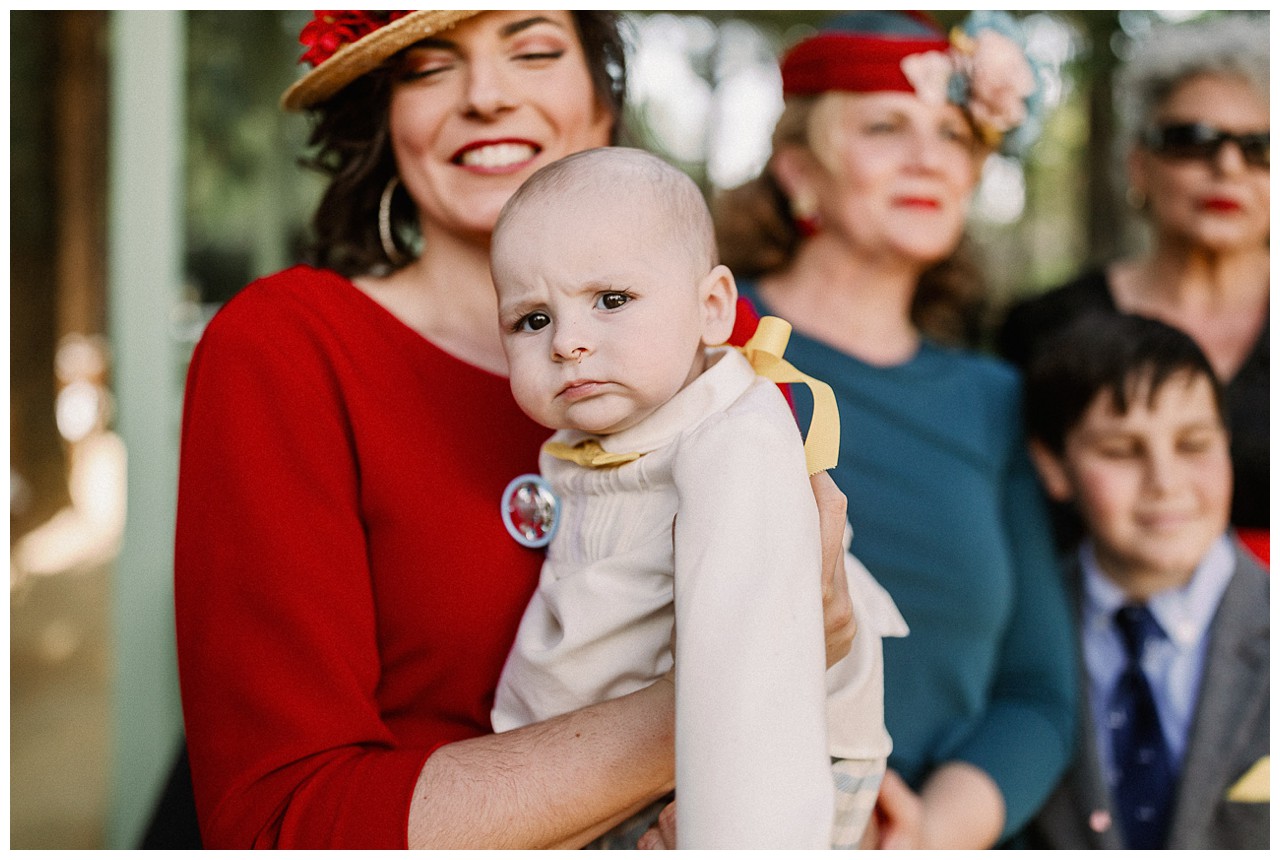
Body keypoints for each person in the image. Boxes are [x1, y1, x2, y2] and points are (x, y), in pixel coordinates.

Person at [172, 11, 855, 850]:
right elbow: (278, 828)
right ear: (385, 119)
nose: (487, 96)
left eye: (533, 51)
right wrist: (747, 685)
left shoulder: (712, 349)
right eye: (429, 69)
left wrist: (847, 777)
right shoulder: (289, 346)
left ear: (602, 104)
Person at [710, 11, 1076, 849]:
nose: (928, 158)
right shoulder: (711, 343)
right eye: (885, 127)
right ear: (800, 172)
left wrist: (931, 834)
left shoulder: (994, 398)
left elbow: (1037, 693)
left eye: (953, 134)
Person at [487, 146, 907, 849]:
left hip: (760, 776)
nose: (567, 342)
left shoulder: (736, 441)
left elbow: (752, 665)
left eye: (611, 301)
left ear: (712, 308)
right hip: (639, 764)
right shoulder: (620, 430)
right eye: (532, 320)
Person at [997, 13, 1269, 564]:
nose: (1227, 166)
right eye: (1191, 140)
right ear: (1138, 166)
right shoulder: (1044, 327)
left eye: (1259, 147)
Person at [1020, 311, 1269, 849]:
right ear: (1054, 467)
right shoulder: (1020, 625)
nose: (1165, 481)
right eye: (1121, 451)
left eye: (1194, 444)